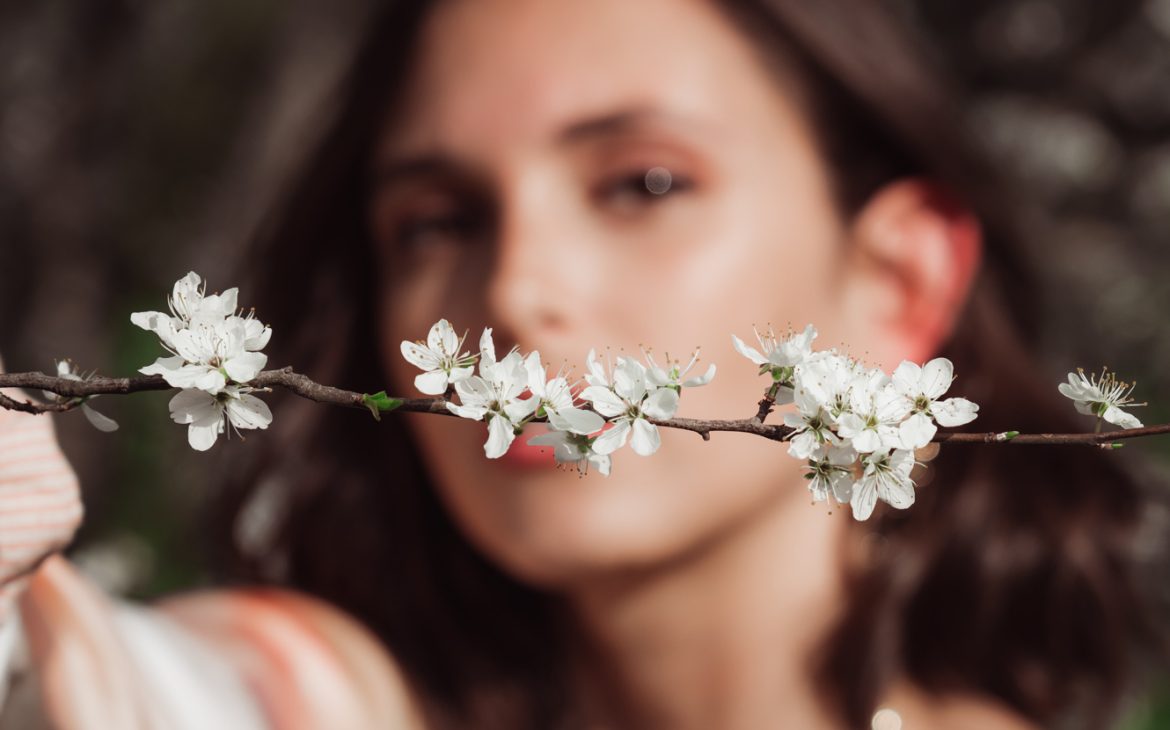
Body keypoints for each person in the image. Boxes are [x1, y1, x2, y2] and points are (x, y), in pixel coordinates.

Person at [0, 0, 1163, 728]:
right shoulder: (329, 693)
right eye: (438, 220)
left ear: (901, 279)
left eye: (643, 183)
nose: (513, 289)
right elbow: (136, 686)